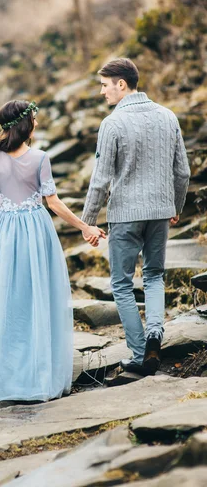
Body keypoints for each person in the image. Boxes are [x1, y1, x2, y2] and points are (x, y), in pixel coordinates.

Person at [0, 100, 105, 404]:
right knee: (39, 300)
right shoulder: (40, 158)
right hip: (36, 232)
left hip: (5, 234)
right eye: (34, 119)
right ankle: (40, 375)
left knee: (8, 303)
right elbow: (54, 203)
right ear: (26, 124)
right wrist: (85, 227)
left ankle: (6, 379)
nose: (37, 123)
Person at [81, 58, 190, 376]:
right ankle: (155, 336)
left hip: (126, 215)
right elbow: (182, 171)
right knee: (155, 276)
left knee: (122, 283)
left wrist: (89, 221)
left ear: (121, 84)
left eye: (104, 85)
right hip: (159, 212)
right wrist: (176, 207)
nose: (102, 92)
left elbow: (100, 180)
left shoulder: (112, 124)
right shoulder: (168, 116)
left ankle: (141, 353)